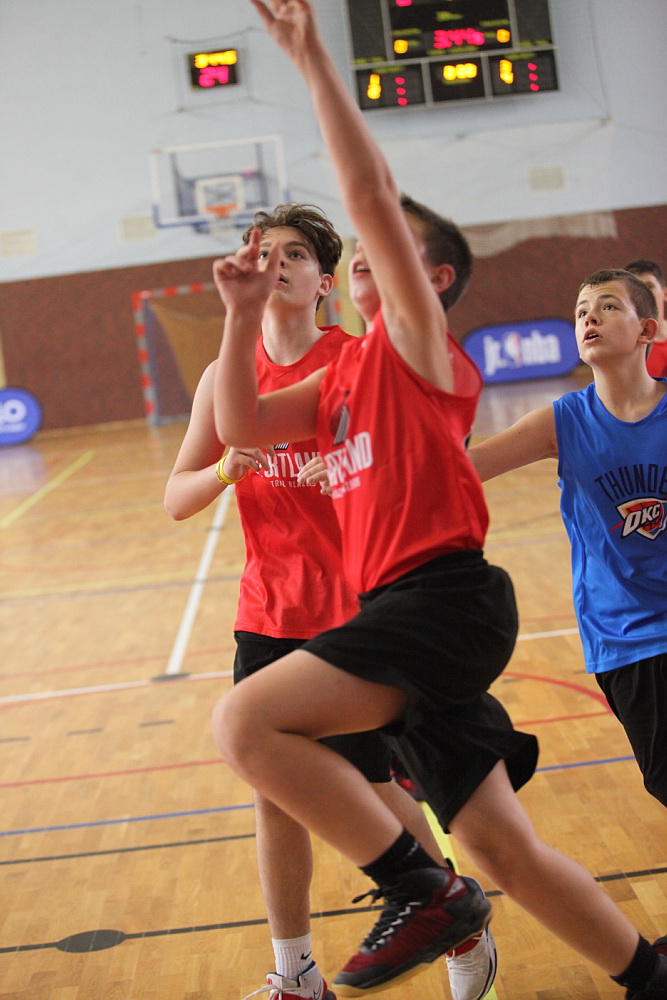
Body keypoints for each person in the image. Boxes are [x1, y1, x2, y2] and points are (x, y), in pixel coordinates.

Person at [209, 2, 667, 997]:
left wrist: (310, 57)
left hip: (443, 599)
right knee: (503, 849)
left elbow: (368, 190)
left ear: (433, 275)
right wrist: (240, 318)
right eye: (360, 251)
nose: (364, 251)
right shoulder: (335, 377)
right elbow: (240, 420)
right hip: (405, 619)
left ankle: (420, 889)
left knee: (243, 724)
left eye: (386, 245)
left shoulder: (416, 347)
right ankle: (647, 973)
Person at [164, 202, 495, 1000]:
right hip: (266, 611)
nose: (274, 262)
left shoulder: (356, 360)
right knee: (274, 797)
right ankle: (295, 974)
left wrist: (350, 474)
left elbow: (429, 463)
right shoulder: (225, 376)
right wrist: (226, 470)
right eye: (263, 252)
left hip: (355, 612)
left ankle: (458, 922)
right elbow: (176, 497)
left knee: (374, 789)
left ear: (323, 281)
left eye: (293, 254)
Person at [468, 267, 667, 813]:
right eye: (581, 311)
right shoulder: (562, 422)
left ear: (647, 329)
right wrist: (358, 467)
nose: (589, 318)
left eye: (607, 306)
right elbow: (462, 471)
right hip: (626, 635)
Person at [624, 259, 667, 376]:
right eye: (637, 289)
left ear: (665, 293)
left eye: (649, 286)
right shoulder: (626, 347)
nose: (644, 293)